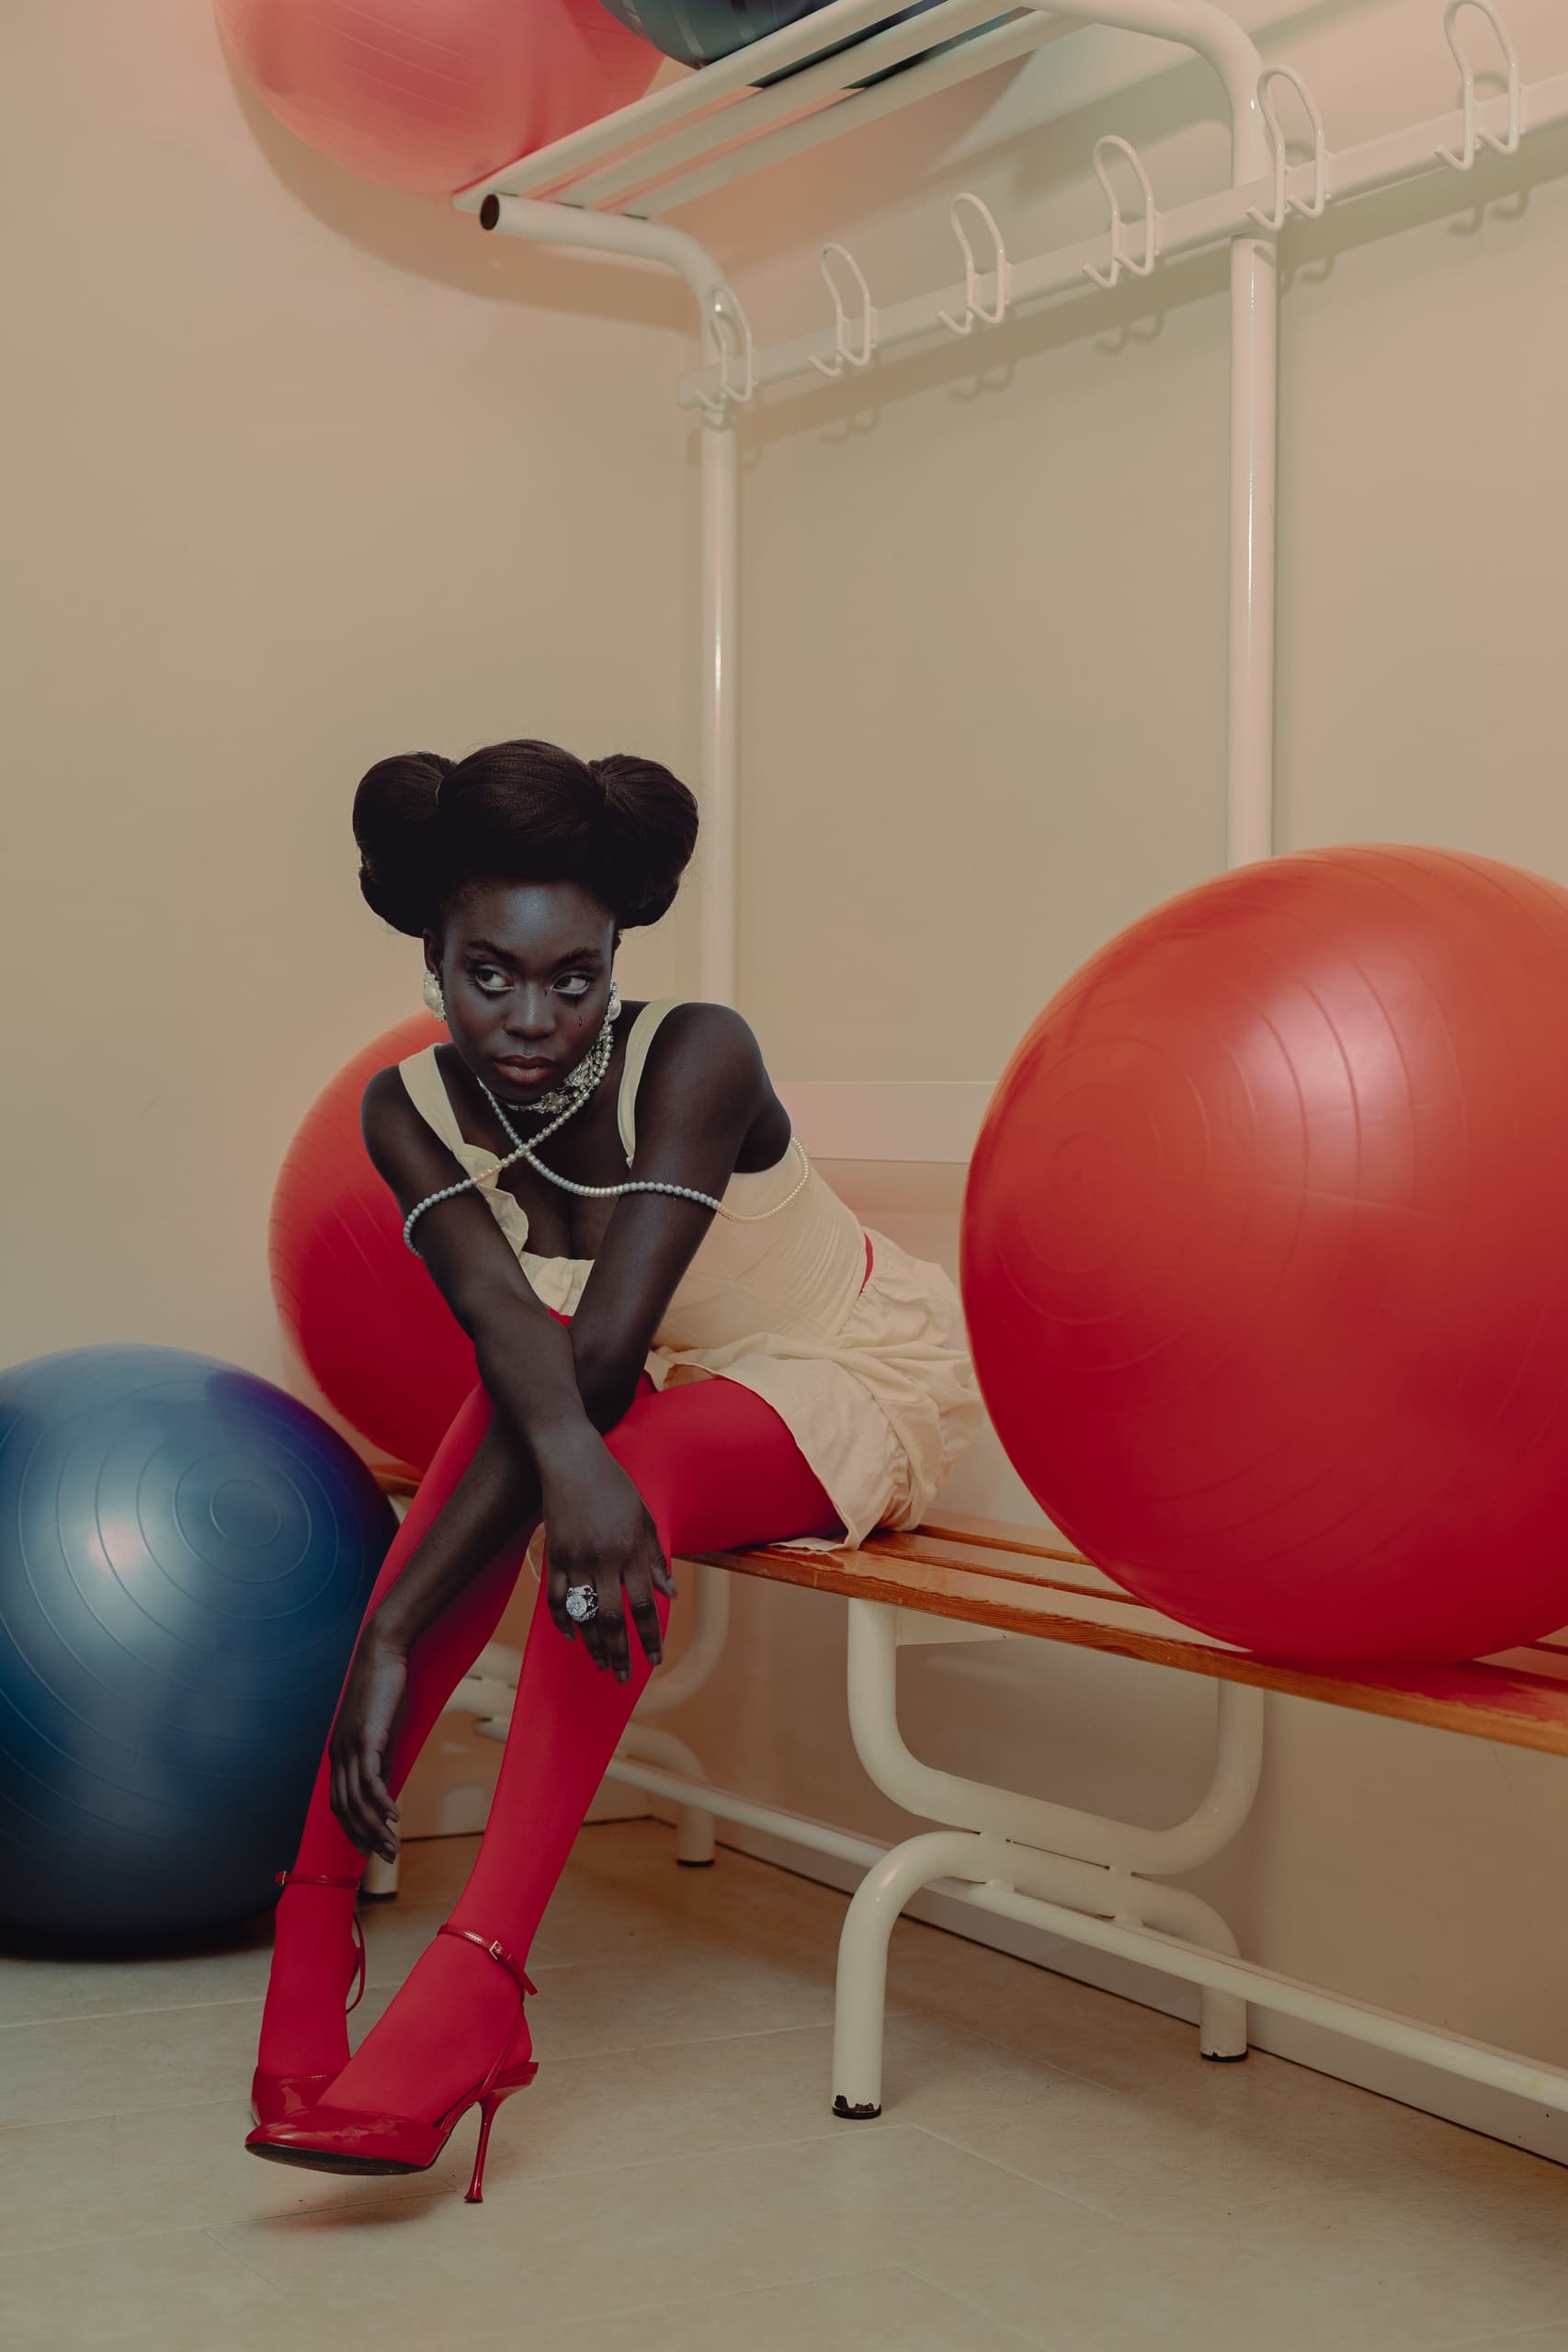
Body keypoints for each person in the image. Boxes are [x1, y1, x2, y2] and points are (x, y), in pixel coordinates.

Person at [244, 737, 980, 2202]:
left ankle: (479, 1980)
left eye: (571, 980)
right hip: (635, 1390)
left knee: (605, 1480)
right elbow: (514, 1341)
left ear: (616, 962)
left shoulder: (697, 1053)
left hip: (846, 1372)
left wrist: (405, 1619)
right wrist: (390, 1633)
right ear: (431, 959)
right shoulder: (405, 1109)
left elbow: (598, 1357)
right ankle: (312, 1922)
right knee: (510, 1422)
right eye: (488, 976)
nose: (530, 1021)